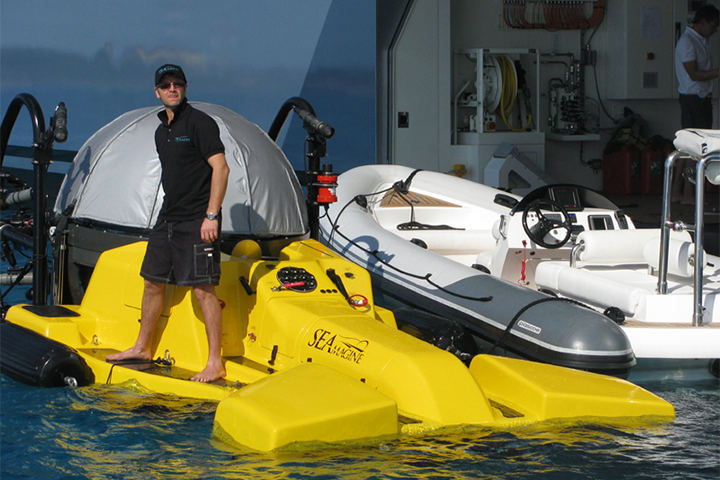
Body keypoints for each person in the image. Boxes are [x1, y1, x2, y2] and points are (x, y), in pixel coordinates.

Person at [107, 64, 230, 383]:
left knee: (204, 289)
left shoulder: (200, 123)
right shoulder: (162, 130)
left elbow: (221, 168)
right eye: (166, 85)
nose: (172, 89)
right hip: (168, 218)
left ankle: (215, 362)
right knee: (151, 281)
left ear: (185, 89)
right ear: (157, 92)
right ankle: (142, 347)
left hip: (198, 220)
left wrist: (211, 215)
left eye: (177, 84)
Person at [673, 5, 719, 203]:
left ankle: (679, 192)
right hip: (694, 100)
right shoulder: (688, 42)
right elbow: (693, 74)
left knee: (688, 147)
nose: (716, 30)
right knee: (696, 147)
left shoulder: (701, 41)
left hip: (699, 99)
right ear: (703, 22)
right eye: (714, 25)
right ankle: (688, 193)